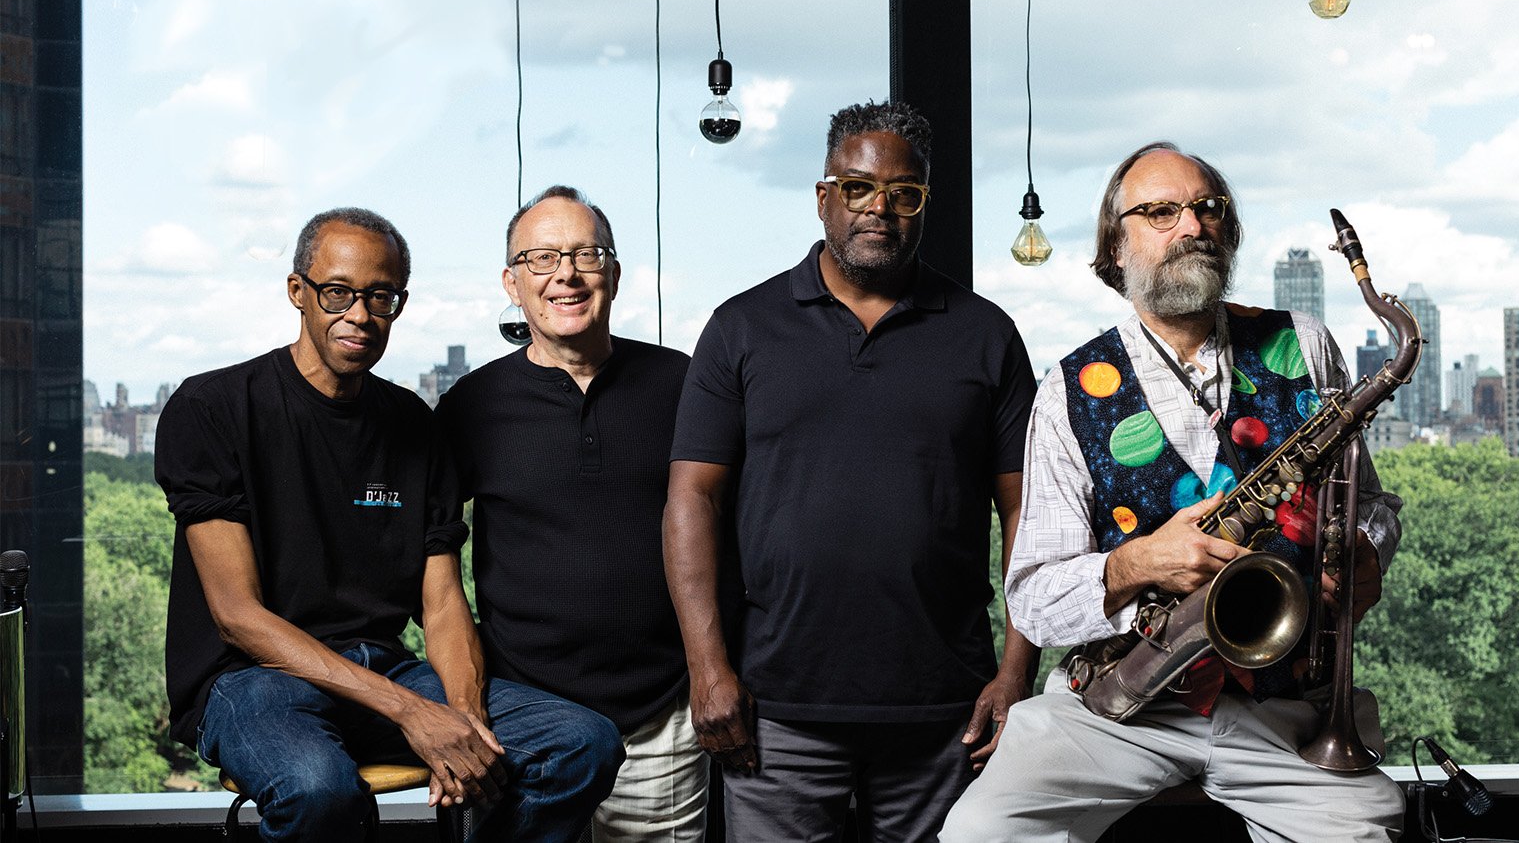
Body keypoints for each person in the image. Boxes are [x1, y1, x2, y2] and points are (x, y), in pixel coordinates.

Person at [940, 142, 1406, 842]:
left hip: (1281, 706)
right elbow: (1032, 595)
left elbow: (1371, 505)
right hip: (1118, 705)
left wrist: (1364, 549)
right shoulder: (1067, 389)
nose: (1192, 227)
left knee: (1373, 826)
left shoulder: (1303, 344)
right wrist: (1138, 565)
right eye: (1160, 211)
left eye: (1207, 208)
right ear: (1115, 247)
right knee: (979, 833)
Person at [157, 207, 623, 842]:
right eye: (338, 293)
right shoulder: (212, 408)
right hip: (253, 680)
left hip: (384, 669)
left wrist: (464, 720)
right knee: (318, 791)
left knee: (581, 743)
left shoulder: (415, 424)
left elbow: (440, 600)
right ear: (298, 293)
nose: (359, 315)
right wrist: (412, 713)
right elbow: (238, 615)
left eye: (381, 297)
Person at [664, 100, 1040, 841]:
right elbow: (692, 501)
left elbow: (1031, 513)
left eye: (905, 194)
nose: (881, 209)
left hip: (946, 710)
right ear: (823, 196)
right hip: (777, 707)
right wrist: (708, 670)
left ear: (924, 204)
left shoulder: (985, 335)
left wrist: (1016, 669)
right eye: (859, 188)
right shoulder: (742, 326)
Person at [437, 186, 708, 841]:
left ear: (613, 273)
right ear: (512, 281)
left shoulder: (685, 385)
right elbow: (430, 563)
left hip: (660, 722)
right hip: (525, 724)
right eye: (542, 258)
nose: (566, 273)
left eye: (587, 254)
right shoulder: (470, 407)